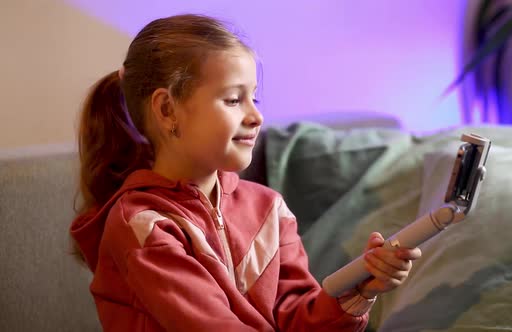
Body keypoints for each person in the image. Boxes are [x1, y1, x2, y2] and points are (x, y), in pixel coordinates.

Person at [70, 14, 421, 332]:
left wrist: (358, 289)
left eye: (255, 97)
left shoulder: (268, 208)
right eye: (234, 100)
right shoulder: (142, 226)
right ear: (167, 110)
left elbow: (298, 317)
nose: (256, 116)